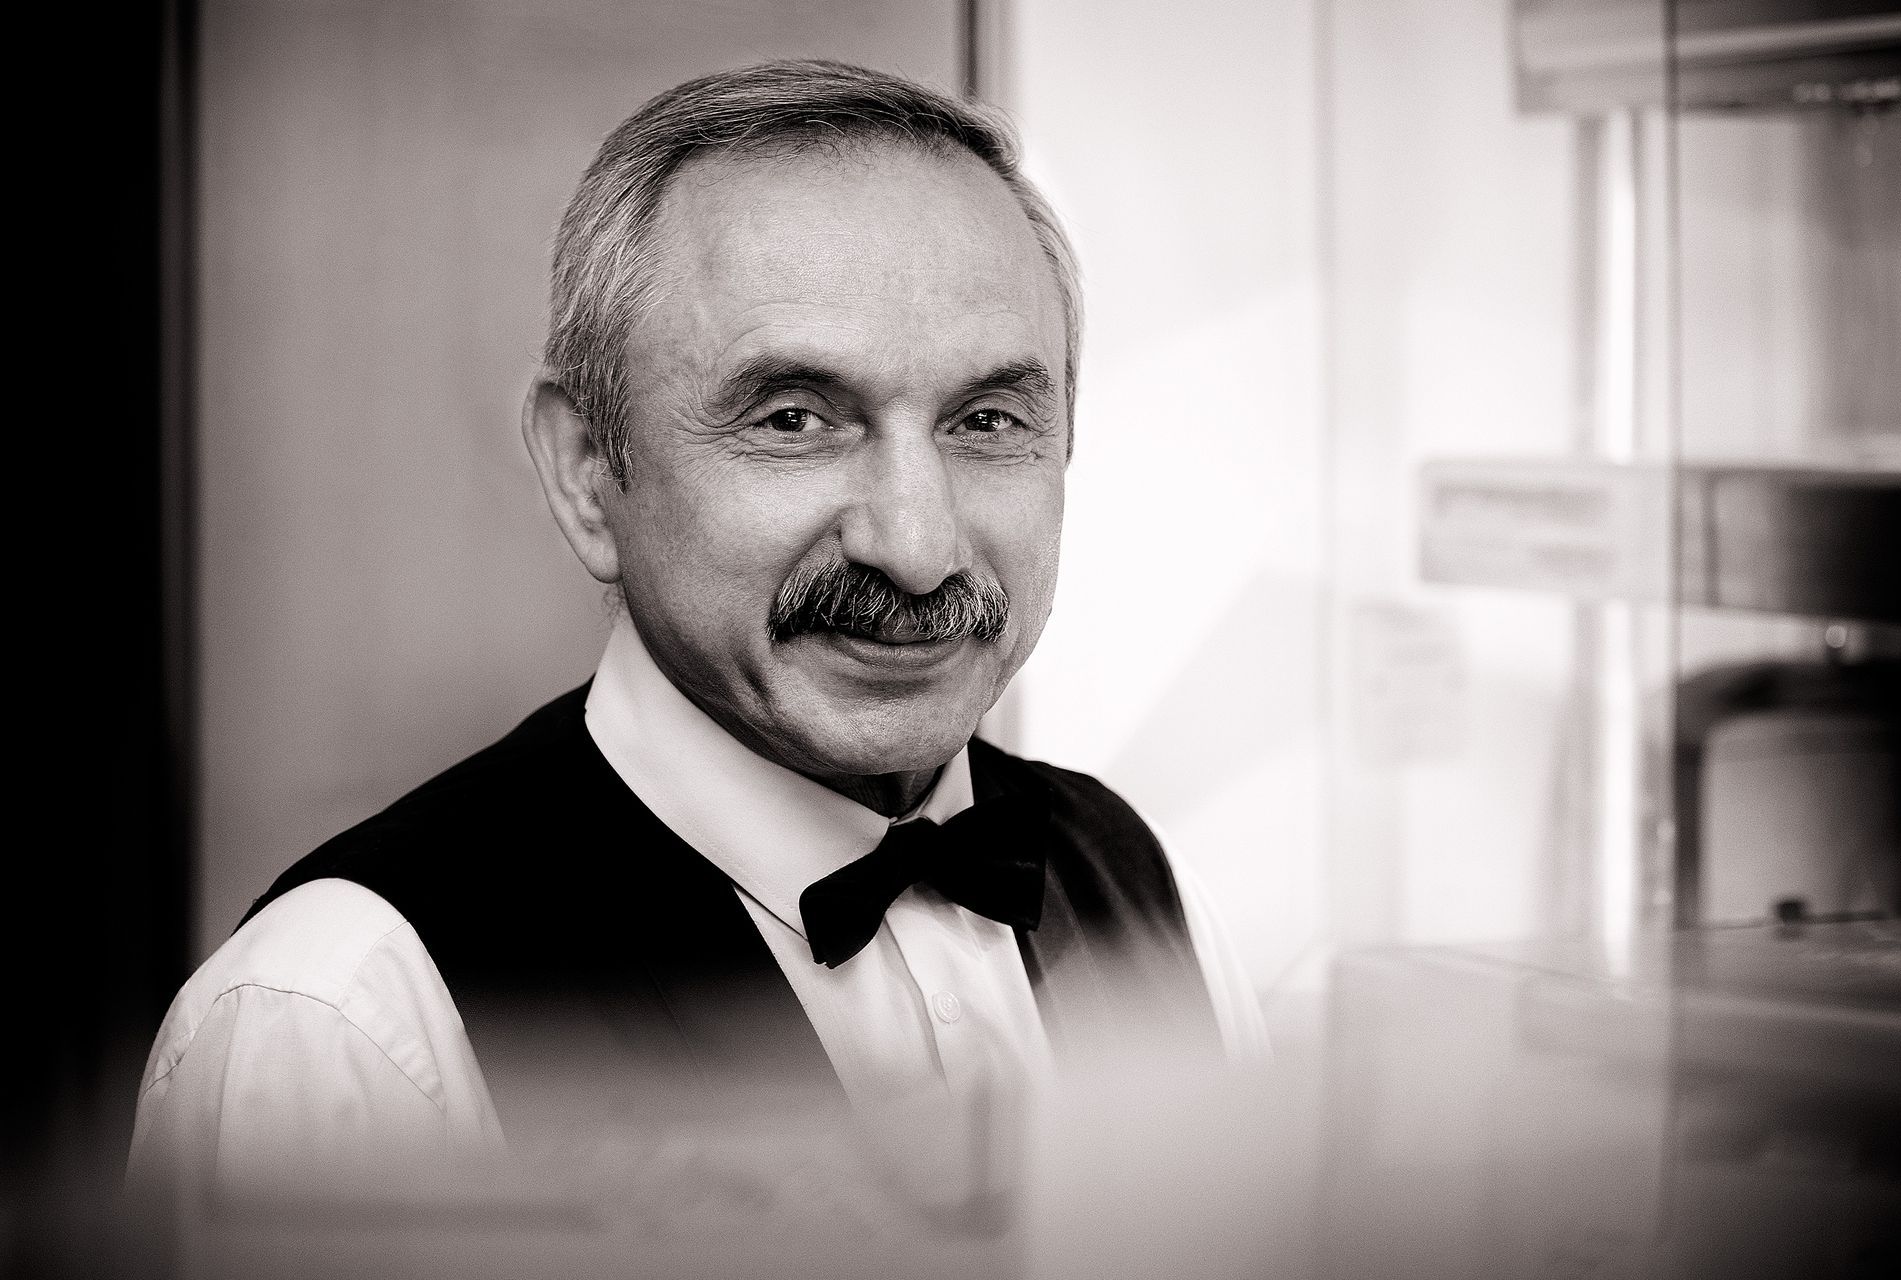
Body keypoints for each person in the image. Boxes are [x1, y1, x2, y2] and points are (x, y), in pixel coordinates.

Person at [130, 59, 1264, 1193]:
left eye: (987, 419)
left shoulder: (1156, 891)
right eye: (794, 417)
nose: (916, 545)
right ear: (587, 473)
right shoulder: (347, 1018)